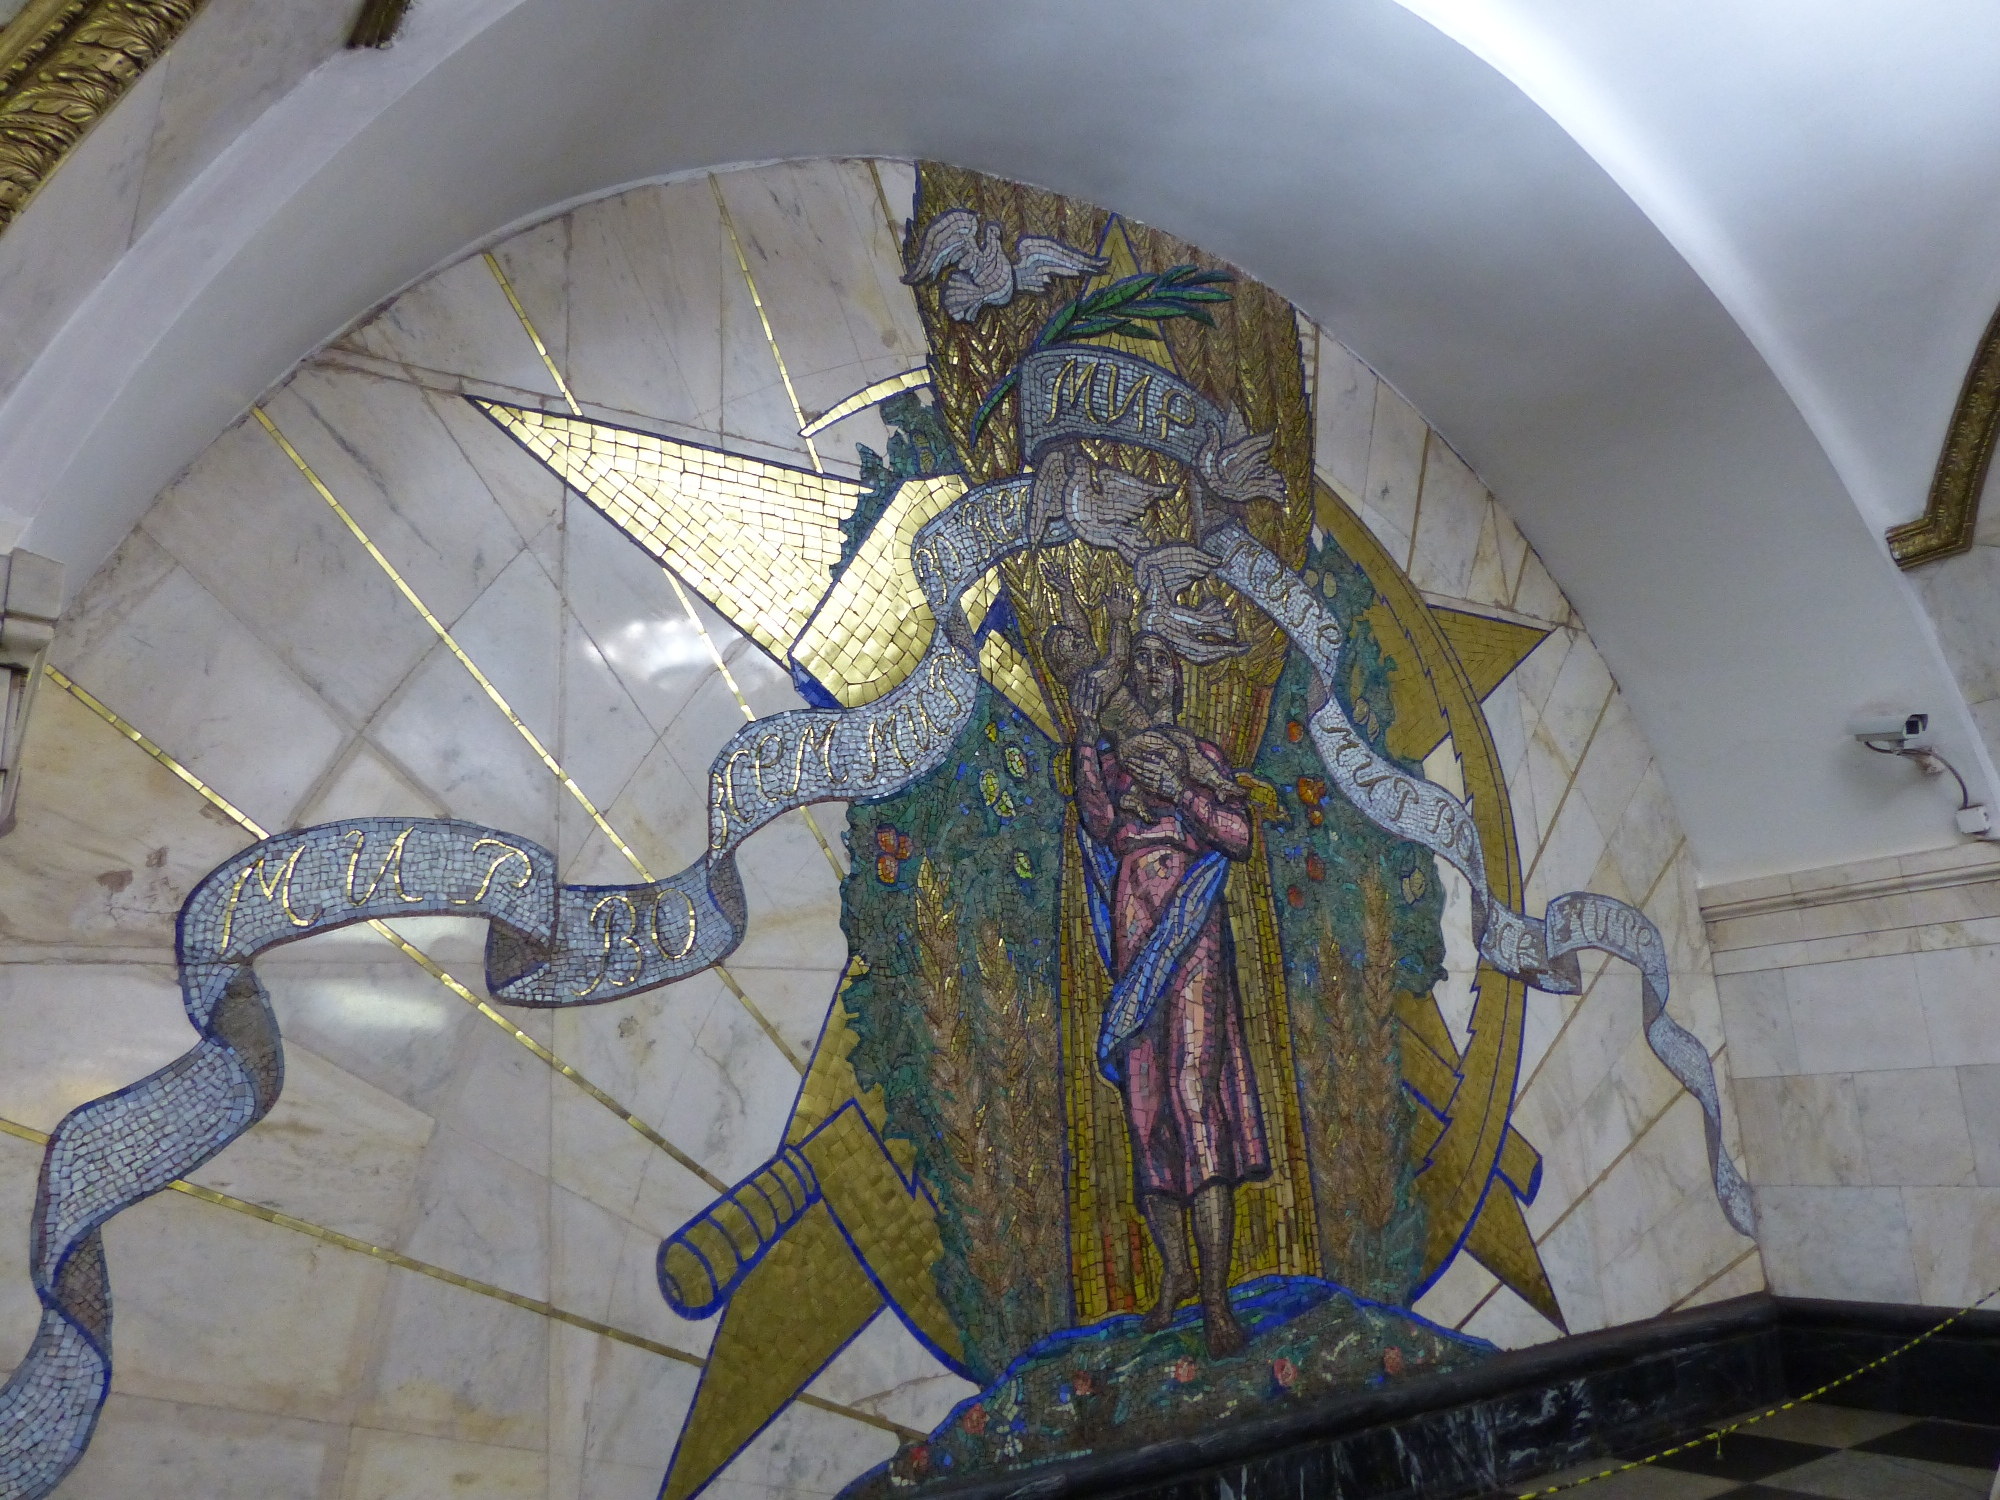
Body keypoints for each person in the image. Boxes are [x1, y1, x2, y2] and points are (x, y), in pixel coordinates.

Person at [1072, 619, 1271, 1357]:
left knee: (1194, 1094)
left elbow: (1239, 836)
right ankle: (1177, 1274)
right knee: (1147, 1109)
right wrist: (1085, 731)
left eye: (1167, 663)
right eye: (1145, 662)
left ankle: (1217, 1299)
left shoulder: (1200, 756)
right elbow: (1097, 820)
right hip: (1133, 932)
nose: (1156, 672)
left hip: (1190, 931)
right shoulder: (1114, 762)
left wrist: (1182, 793)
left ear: (1181, 680)